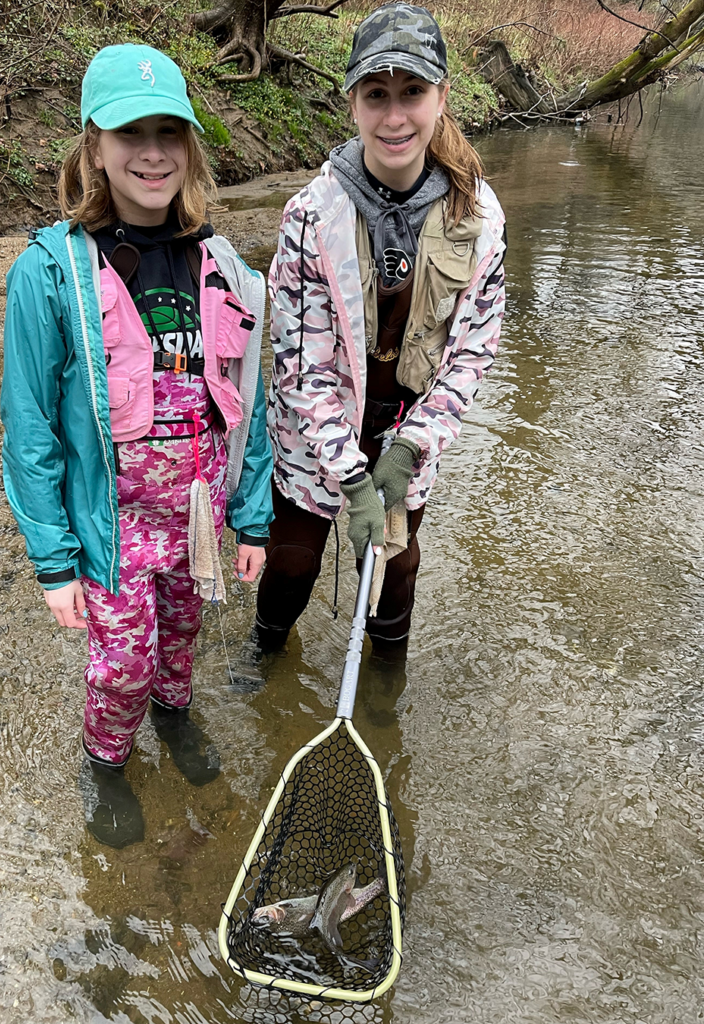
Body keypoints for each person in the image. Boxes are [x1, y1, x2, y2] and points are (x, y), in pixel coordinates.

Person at [1, 44, 272, 846]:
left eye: (168, 132)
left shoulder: (224, 264)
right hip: (111, 533)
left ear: (189, 146)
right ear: (94, 146)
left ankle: (176, 715)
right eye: (129, 133)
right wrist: (54, 562)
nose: (151, 152)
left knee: (182, 639)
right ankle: (106, 760)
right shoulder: (47, 273)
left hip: (200, 517)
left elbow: (249, 403)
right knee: (119, 666)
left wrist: (251, 517)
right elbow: (29, 432)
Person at [255, 3, 506, 657]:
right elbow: (298, 361)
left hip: (408, 429)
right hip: (313, 429)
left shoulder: (479, 215)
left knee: (395, 565)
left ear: (442, 96)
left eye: (413, 93)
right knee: (291, 559)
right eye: (377, 94)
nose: (395, 117)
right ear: (353, 103)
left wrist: (409, 448)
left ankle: (385, 687)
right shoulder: (309, 215)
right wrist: (349, 473)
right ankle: (265, 654)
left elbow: (472, 349)